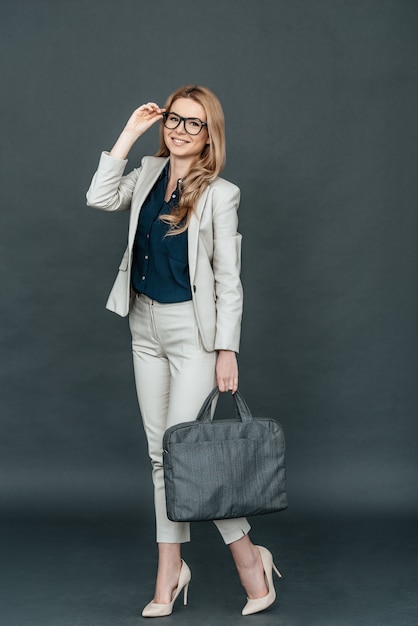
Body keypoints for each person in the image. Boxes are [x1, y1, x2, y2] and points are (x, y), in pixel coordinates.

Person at [86, 85, 281, 617]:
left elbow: (228, 279)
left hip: (193, 333)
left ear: (209, 134)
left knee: (185, 452)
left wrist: (226, 350)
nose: (180, 130)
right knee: (161, 456)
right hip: (143, 323)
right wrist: (129, 134)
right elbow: (99, 197)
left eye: (194, 124)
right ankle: (172, 571)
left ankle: (248, 560)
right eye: (174, 119)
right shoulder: (148, 174)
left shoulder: (221, 193)